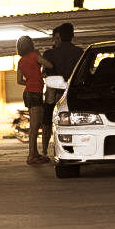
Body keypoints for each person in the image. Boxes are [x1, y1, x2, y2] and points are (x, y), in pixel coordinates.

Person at [37, 22, 84, 157]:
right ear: (72, 35)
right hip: (71, 94)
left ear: (60, 37)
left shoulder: (49, 54)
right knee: (72, 124)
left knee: (47, 123)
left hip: (52, 93)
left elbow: (44, 72)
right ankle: (72, 150)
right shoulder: (79, 52)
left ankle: (45, 152)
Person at [15, 35, 48, 164]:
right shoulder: (35, 56)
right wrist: (41, 73)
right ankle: (31, 156)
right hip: (35, 94)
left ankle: (35, 153)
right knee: (34, 127)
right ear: (31, 45)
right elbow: (49, 64)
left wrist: (29, 82)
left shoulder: (21, 61)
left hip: (27, 93)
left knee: (35, 125)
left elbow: (19, 80)